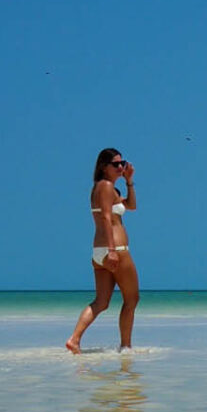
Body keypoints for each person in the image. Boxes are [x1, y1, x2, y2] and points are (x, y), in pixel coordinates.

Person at [66, 148, 140, 352]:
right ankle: (126, 346)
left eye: (121, 163)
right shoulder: (106, 186)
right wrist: (112, 250)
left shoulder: (106, 189)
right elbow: (107, 217)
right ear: (103, 167)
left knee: (102, 301)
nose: (120, 167)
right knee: (132, 298)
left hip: (99, 253)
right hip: (115, 249)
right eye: (115, 164)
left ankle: (74, 339)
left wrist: (129, 181)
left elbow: (131, 206)